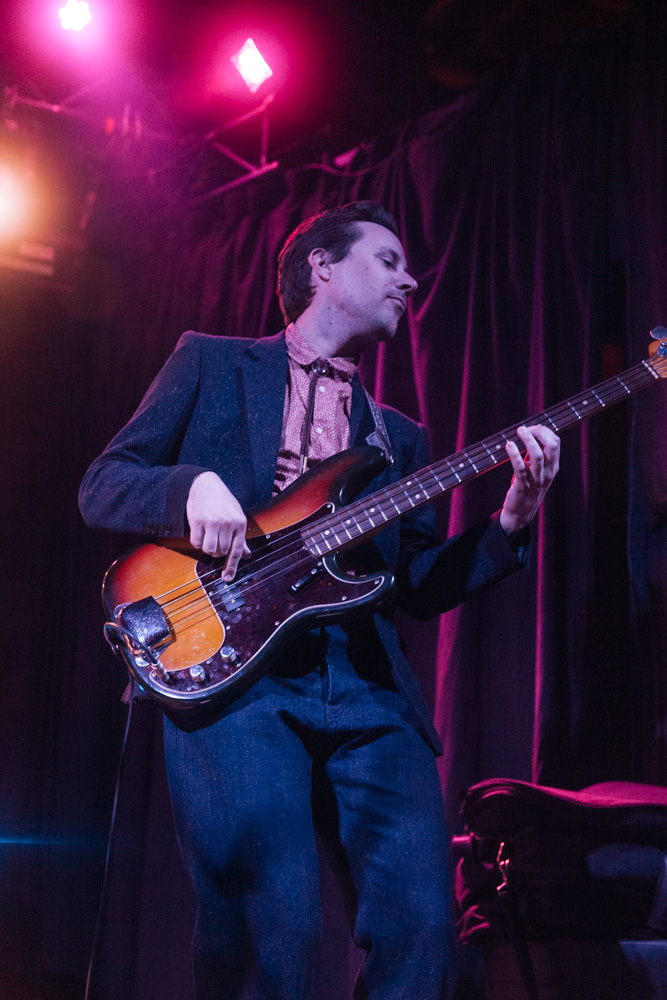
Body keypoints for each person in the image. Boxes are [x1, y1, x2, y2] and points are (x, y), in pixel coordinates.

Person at [79, 201, 560, 1000]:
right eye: (388, 260)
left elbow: (416, 585)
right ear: (322, 268)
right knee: (275, 926)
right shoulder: (210, 362)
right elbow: (103, 485)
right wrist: (189, 486)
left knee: (422, 928)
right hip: (234, 671)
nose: (409, 280)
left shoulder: (396, 436)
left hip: (365, 683)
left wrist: (511, 520)